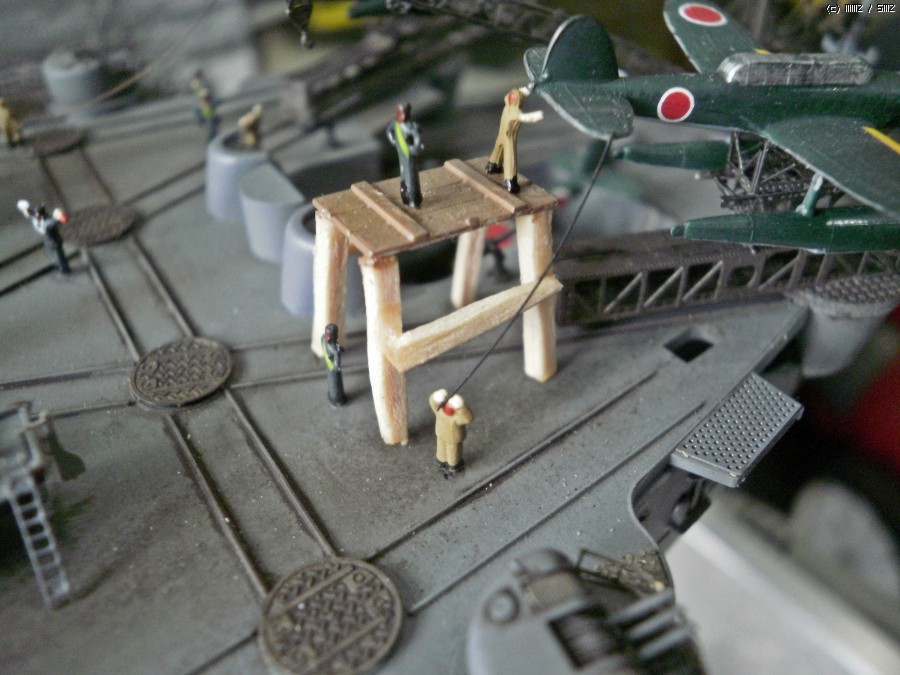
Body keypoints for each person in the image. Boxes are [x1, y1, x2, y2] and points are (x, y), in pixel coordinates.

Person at [485, 88, 543, 193]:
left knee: (497, 149)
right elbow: (526, 118)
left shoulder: (506, 106)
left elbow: (520, 93)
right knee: (510, 158)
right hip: (509, 137)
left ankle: (492, 166)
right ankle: (510, 181)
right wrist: (539, 115)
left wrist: (530, 88)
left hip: (501, 133)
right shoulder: (515, 111)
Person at [429, 389, 474, 478]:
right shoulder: (440, 411)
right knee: (441, 451)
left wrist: (461, 407)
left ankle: (454, 466)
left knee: (453, 454)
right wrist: (436, 397)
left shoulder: (456, 417)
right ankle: (441, 462)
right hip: (440, 434)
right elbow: (433, 403)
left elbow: (468, 418)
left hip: (453, 438)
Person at [17, 199, 70, 274]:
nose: (36, 214)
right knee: (59, 256)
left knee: (58, 256)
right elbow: (56, 221)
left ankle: (62, 268)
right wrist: (57, 217)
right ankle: (63, 268)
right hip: (53, 241)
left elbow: (57, 221)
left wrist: (58, 218)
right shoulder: (45, 222)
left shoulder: (40, 219)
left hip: (52, 240)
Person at [386, 103, 424, 208]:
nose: (400, 115)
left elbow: (417, 139)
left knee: (411, 176)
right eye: (399, 112)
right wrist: (394, 141)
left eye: (403, 113)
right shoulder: (395, 123)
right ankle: (406, 195)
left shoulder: (410, 126)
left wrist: (414, 148)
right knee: (403, 174)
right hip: (401, 153)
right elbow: (389, 131)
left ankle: (413, 199)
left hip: (409, 154)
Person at [321, 324, 347, 406]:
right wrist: (337, 367)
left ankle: (333, 396)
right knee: (336, 384)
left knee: (330, 380)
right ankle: (337, 398)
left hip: (328, 364)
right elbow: (337, 364)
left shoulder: (323, 338)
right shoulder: (335, 349)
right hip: (333, 368)